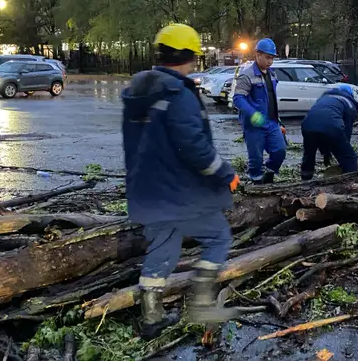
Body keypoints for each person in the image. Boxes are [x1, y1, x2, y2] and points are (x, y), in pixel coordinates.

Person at [121, 23, 241, 339]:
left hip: (147, 191)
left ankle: (151, 315)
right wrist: (227, 174)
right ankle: (201, 305)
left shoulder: (138, 92)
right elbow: (195, 148)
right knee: (218, 237)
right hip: (178, 192)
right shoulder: (179, 94)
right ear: (189, 55)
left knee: (164, 246)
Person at [232, 38, 287, 184]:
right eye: (267, 57)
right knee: (255, 158)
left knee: (280, 151)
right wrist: (253, 114)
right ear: (257, 54)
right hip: (254, 124)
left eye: (272, 58)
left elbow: (271, 99)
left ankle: (269, 173)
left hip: (272, 122)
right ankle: (256, 183)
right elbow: (238, 99)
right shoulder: (247, 74)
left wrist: (278, 121)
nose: (270, 61)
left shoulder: (272, 74)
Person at [300, 84, 358, 180]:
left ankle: (305, 179)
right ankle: (352, 180)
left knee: (309, 154)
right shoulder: (349, 104)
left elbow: (320, 124)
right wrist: (342, 151)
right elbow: (346, 132)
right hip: (332, 126)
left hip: (307, 126)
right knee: (350, 158)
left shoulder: (324, 97)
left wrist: (326, 152)